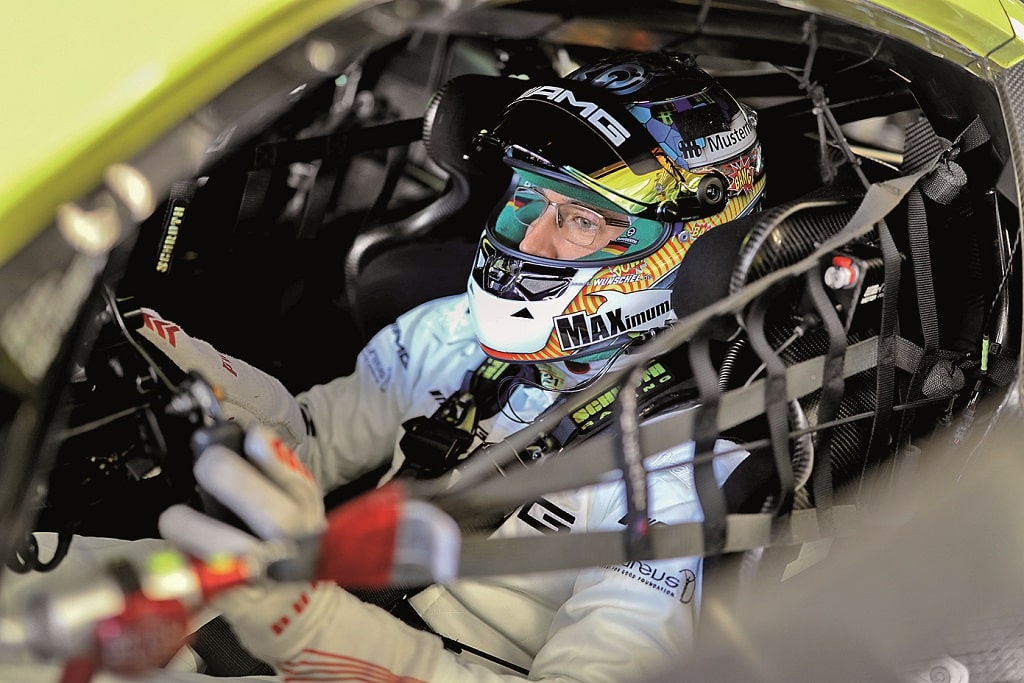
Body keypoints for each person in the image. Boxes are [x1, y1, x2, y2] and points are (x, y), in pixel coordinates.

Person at [148, 51, 767, 681]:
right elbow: (311, 449)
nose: (528, 242)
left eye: (581, 220)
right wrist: (215, 398)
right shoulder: (454, 330)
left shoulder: (681, 470)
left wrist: (329, 637)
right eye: (530, 199)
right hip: (275, 617)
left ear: (693, 252)